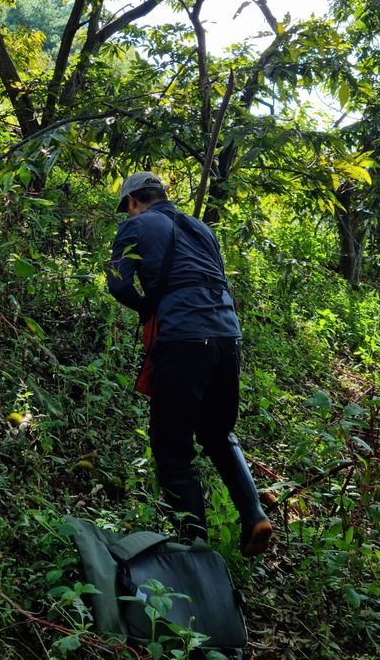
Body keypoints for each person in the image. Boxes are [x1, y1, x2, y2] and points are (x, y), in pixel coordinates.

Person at [107, 171, 272, 557]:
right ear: (162, 195)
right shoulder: (201, 228)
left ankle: (195, 551)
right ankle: (254, 515)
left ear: (132, 201)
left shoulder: (134, 225)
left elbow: (117, 282)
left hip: (183, 339)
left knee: (172, 446)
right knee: (218, 434)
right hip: (228, 337)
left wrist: (146, 308)